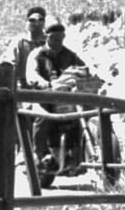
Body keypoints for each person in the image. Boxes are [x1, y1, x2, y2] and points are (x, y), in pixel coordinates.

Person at [27, 20, 90, 177]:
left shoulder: (69, 54)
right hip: (43, 96)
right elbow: (31, 74)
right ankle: (38, 155)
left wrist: (88, 75)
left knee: (83, 114)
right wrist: (44, 84)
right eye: (55, 38)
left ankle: (78, 154)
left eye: (61, 38)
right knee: (43, 117)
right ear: (47, 37)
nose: (58, 42)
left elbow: (84, 68)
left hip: (66, 96)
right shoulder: (37, 55)